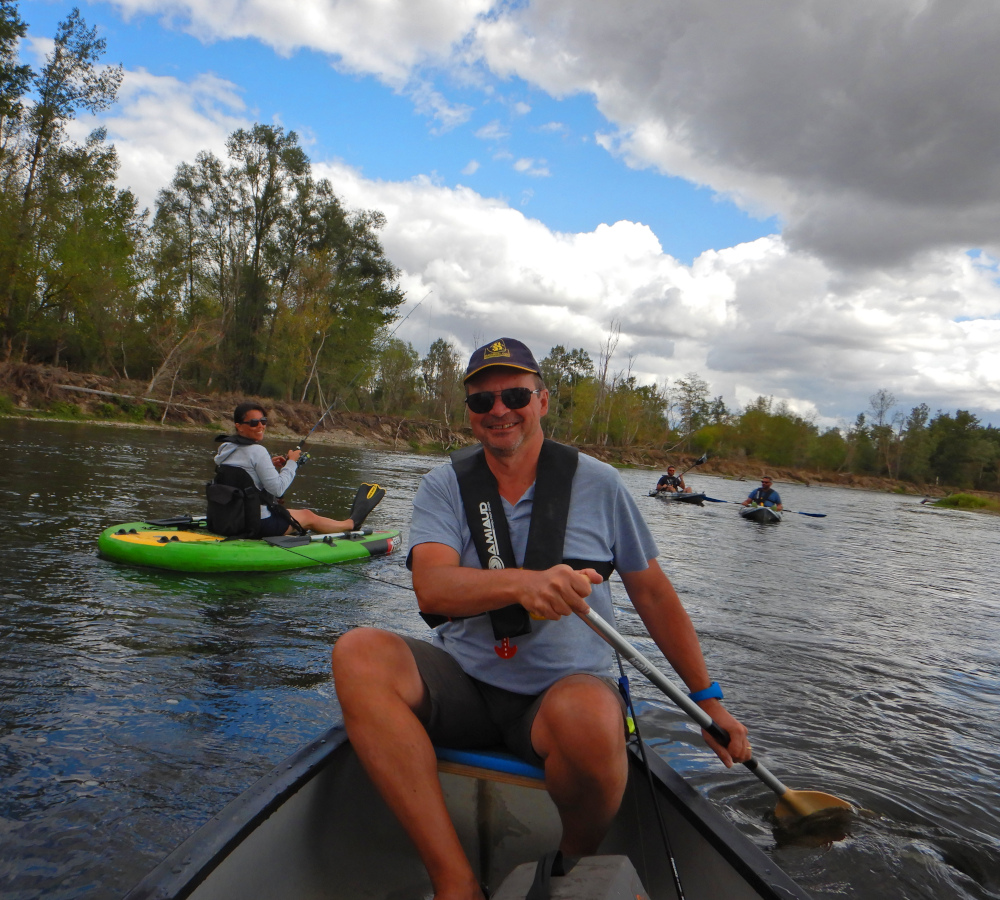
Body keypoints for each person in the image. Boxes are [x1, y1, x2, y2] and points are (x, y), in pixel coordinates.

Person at [331, 338, 750, 900]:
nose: (499, 410)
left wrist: (708, 697)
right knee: (358, 653)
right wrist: (526, 582)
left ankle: (569, 865)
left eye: (514, 395)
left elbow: (652, 593)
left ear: (543, 401)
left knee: (589, 717)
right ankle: (456, 883)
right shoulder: (445, 485)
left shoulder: (599, 484)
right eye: (482, 402)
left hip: (559, 698)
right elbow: (432, 585)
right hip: (467, 684)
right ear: (470, 415)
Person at [211, 402, 383, 537]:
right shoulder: (257, 451)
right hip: (255, 523)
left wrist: (268, 464)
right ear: (239, 426)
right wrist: (292, 463)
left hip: (230, 517)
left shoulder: (226, 448)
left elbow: (239, 474)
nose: (260, 426)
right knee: (308, 516)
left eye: (263, 421)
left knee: (297, 513)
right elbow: (278, 489)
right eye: (254, 422)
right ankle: (350, 524)